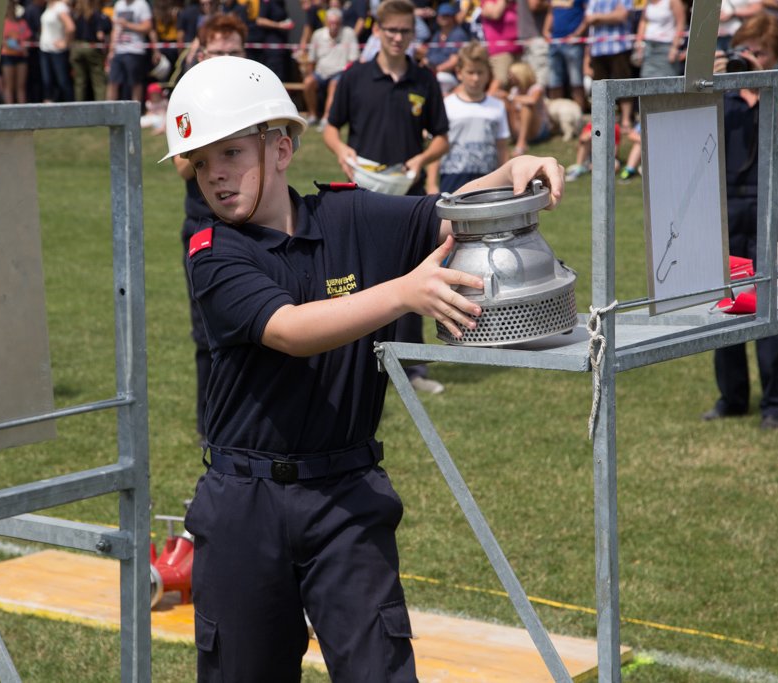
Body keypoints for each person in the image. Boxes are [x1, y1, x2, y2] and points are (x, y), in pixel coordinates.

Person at [160, 53, 564, 683]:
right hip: (245, 504)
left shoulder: (349, 215)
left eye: (232, 152)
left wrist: (508, 173)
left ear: (282, 148)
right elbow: (290, 330)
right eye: (201, 160)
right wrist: (403, 293)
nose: (215, 174)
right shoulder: (214, 254)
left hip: (346, 498)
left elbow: (446, 213)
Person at [323, 0, 450, 394]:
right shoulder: (355, 77)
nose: (398, 37)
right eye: (391, 30)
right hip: (362, 197)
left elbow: (442, 137)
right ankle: (360, 366)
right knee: (361, 280)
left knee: (414, 279)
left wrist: (422, 159)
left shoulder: (424, 80)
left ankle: (413, 370)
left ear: (413, 33)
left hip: (408, 198)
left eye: (405, 31)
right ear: (377, 30)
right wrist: (342, 151)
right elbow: (330, 128)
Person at [703, 12, 778, 430]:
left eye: (761, 53)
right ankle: (733, 397)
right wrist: (708, 81)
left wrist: (765, 86)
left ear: (776, 58)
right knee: (729, 304)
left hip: (775, 203)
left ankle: (777, 404)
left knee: (775, 307)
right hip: (727, 205)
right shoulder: (721, 93)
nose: (751, 59)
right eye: (746, 51)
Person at [170, 12, 250, 440]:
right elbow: (184, 168)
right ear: (201, 54)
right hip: (204, 227)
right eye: (217, 52)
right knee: (207, 333)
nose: (224, 59)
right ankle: (211, 427)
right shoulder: (187, 99)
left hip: (254, 224)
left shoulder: (258, 94)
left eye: (232, 52)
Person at [438, 41, 510, 193]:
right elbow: (437, 146)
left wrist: (506, 181)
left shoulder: (497, 106)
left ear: (488, 73)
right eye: (470, 72)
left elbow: (502, 147)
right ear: (459, 73)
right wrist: (432, 183)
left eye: (480, 72)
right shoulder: (446, 105)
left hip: (488, 179)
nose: (475, 78)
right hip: (453, 178)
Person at [301, 7, 360, 126]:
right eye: (331, 22)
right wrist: (309, 74)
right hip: (320, 73)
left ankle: (326, 117)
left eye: (337, 23)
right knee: (308, 82)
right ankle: (313, 115)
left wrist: (346, 74)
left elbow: (353, 59)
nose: (334, 25)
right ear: (326, 22)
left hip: (340, 72)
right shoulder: (317, 34)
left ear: (341, 22)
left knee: (334, 84)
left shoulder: (349, 33)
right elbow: (311, 60)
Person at [585, 0, 635, 132]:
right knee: (600, 90)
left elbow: (621, 16)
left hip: (619, 47)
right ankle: (602, 122)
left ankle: (626, 121)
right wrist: (611, 16)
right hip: (597, 49)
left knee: (624, 86)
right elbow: (588, 19)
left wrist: (598, 17)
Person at [543, 0, 588, 111]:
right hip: (555, 42)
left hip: (573, 43)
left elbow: (588, 14)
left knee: (576, 80)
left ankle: (579, 113)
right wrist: (546, 30)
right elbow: (550, 12)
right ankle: (555, 114)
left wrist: (577, 34)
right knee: (554, 81)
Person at [417, 2, 470, 95]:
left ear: (452, 17)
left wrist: (435, 70)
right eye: (441, 15)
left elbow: (454, 61)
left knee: (440, 78)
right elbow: (427, 57)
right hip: (433, 72)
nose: (443, 18)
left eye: (447, 15)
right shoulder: (437, 34)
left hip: (448, 75)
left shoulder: (458, 34)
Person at [107, 0, 154, 103]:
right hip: (118, 50)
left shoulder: (142, 4)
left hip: (135, 50)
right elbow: (114, 29)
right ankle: (109, 110)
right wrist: (111, 50)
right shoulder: (119, 4)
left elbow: (148, 26)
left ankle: (136, 109)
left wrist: (127, 24)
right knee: (113, 82)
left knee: (135, 83)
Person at [500, 60, 550, 156]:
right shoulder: (514, 90)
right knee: (505, 103)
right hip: (518, 126)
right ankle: (505, 138)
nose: (509, 77)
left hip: (537, 130)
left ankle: (521, 143)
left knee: (526, 107)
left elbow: (532, 100)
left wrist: (509, 96)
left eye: (512, 74)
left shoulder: (536, 88)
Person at [632, 0, 685, 79]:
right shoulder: (648, 2)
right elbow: (643, 21)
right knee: (646, 77)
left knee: (667, 78)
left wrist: (674, 47)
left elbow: (680, 23)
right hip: (649, 47)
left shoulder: (673, 1)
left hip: (666, 47)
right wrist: (639, 42)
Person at [71, 0, 112, 101]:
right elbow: (100, 35)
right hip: (91, 48)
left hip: (77, 48)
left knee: (79, 82)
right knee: (98, 81)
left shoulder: (76, 14)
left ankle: (78, 106)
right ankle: (101, 107)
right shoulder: (96, 14)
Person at [247, 0, 295, 81]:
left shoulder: (280, 3)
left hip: (281, 44)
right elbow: (260, 20)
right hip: (272, 46)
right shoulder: (267, 2)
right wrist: (279, 25)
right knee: (274, 71)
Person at [39, 0, 75, 102]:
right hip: (45, 49)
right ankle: (48, 106)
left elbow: (71, 27)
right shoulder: (48, 6)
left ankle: (70, 106)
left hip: (57, 52)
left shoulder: (60, 7)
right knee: (47, 82)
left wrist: (65, 42)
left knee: (63, 82)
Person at [0, 0, 32, 104]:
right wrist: (16, 47)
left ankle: (22, 109)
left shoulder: (22, 23)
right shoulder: (3, 23)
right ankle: (9, 110)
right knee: (9, 86)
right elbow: (2, 40)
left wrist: (23, 47)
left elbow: (27, 37)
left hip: (21, 56)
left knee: (21, 86)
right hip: (8, 56)